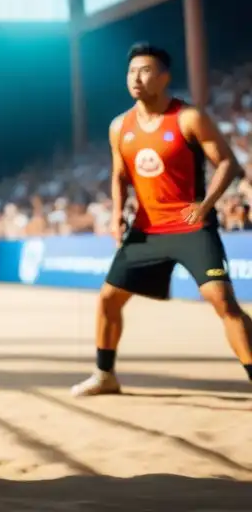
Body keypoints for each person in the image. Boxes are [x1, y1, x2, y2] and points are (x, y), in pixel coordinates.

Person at [71, 43, 252, 397]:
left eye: (146, 70)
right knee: (108, 299)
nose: (136, 78)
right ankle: (105, 374)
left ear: (165, 77)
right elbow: (119, 174)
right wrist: (117, 214)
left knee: (223, 302)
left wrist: (206, 205)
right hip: (146, 230)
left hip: (191, 226)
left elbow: (230, 163)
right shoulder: (119, 126)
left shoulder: (188, 117)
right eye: (131, 71)